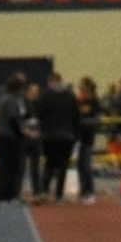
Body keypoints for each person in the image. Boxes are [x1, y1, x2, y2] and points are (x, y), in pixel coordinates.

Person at [32, 69, 81, 199]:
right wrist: (75, 135)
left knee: (50, 164)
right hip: (67, 135)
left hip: (49, 135)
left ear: (50, 81)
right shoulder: (70, 95)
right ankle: (59, 194)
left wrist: (40, 130)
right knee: (63, 165)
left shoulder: (46, 95)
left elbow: (39, 114)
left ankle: (44, 191)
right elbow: (76, 117)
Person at [0, 72, 32, 204]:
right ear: (19, 88)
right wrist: (24, 133)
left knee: (3, 167)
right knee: (10, 168)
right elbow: (13, 120)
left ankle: (4, 196)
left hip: (2, 136)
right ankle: (8, 196)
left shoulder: (3, 98)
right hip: (9, 138)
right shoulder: (11, 100)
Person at [72, 75, 101, 200]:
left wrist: (82, 122)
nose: (81, 90)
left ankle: (90, 190)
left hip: (88, 136)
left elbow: (96, 120)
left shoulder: (94, 101)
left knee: (86, 164)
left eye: (83, 87)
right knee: (80, 165)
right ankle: (83, 189)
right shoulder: (79, 101)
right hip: (79, 136)